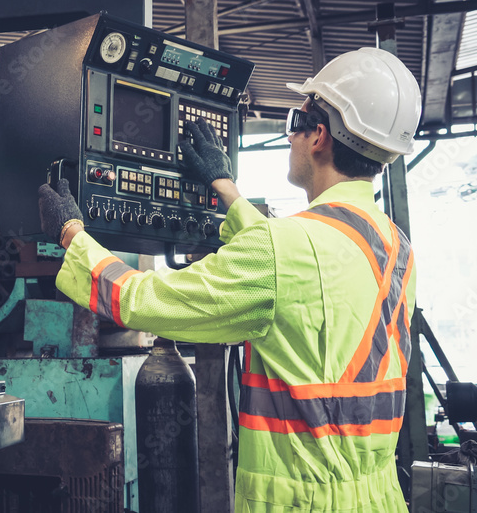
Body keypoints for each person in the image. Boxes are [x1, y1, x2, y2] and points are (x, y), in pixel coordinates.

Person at [37, 47, 421, 512]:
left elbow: (144, 301)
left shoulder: (285, 250)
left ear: (318, 135)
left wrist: (72, 234)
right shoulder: (393, 244)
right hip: (379, 496)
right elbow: (299, 272)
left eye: (294, 124)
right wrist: (225, 186)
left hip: (300, 502)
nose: (292, 138)